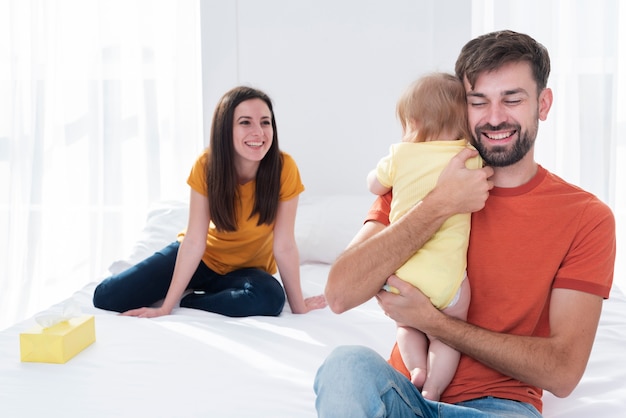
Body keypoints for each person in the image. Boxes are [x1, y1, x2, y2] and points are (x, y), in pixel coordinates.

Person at [315, 30, 615, 417]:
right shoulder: (417, 183)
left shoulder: (585, 217)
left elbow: (562, 371)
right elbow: (339, 294)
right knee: (346, 366)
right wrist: (438, 205)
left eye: (512, 99)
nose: (494, 117)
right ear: (462, 107)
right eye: (479, 102)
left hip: (499, 408)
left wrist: (433, 323)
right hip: (406, 396)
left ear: (543, 104)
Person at [93, 86, 326, 318]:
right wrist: (165, 308)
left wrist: (299, 307)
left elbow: (284, 245)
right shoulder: (207, 165)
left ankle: (194, 300)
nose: (259, 132)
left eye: (265, 122)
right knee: (106, 297)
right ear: (225, 129)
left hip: (247, 271)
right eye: (245, 122)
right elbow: (194, 241)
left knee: (270, 298)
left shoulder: (284, 168)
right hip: (202, 259)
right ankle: (186, 287)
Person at [366, 72, 482, 400]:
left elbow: (375, 185)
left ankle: (416, 368)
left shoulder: (401, 154)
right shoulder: (468, 157)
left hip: (403, 274)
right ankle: (433, 389)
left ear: (413, 121)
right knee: (449, 335)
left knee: (406, 326)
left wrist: (381, 174)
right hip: (446, 279)